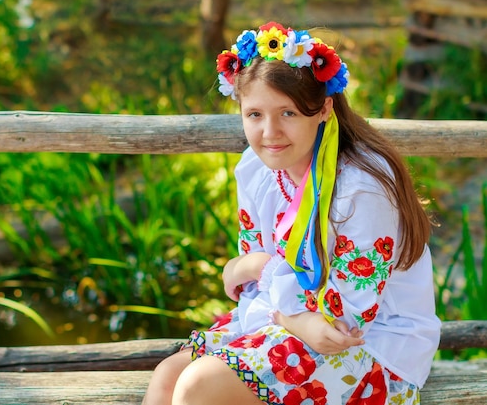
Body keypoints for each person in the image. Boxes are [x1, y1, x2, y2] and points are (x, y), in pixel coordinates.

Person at [142, 21, 441, 405]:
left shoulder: (360, 190)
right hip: (290, 320)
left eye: (288, 113)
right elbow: (249, 274)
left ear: (323, 109)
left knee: (199, 385)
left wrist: (259, 281)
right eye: (254, 115)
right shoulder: (256, 170)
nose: (270, 132)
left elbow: (344, 319)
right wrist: (253, 278)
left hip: (372, 345)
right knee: (169, 376)